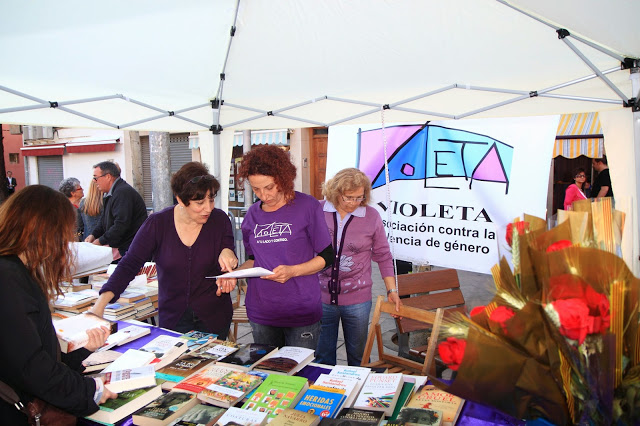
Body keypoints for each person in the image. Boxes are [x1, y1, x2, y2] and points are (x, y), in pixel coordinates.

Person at [0, 185, 116, 424]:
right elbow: (31, 366)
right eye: (65, 232)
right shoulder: (8, 278)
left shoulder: (15, 271)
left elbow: (28, 349)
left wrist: (81, 352)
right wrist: (89, 391)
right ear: (45, 230)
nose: (67, 242)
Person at [90, 162, 238, 337]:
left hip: (214, 317)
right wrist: (99, 305)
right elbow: (129, 264)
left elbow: (228, 251)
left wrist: (229, 256)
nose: (208, 208)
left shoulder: (219, 220)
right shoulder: (158, 224)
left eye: (211, 200)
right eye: (200, 202)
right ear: (181, 200)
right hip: (174, 319)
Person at [236, 145, 334, 350]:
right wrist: (233, 275)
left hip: (301, 311)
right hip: (262, 311)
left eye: (269, 187)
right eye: (256, 189)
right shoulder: (252, 215)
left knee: (299, 375)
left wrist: (293, 271)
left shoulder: (307, 206)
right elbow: (254, 260)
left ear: (283, 178)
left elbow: (327, 256)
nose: (263, 195)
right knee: (267, 373)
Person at [315, 168, 400, 366]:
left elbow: (383, 255)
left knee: (359, 356)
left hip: (357, 300)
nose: (355, 203)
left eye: (360, 197)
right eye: (349, 198)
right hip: (320, 297)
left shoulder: (371, 216)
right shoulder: (318, 210)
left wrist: (392, 290)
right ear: (336, 193)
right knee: (322, 356)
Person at [85, 161, 148, 259]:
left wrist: (100, 241)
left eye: (96, 178)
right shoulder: (112, 193)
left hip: (129, 250)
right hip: (123, 249)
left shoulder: (122, 193)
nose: (94, 181)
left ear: (108, 177)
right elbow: (103, 221)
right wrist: (94, 235)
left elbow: (121, 224)